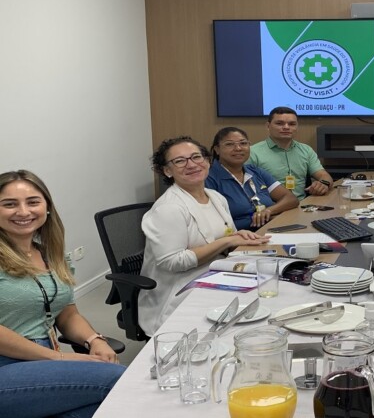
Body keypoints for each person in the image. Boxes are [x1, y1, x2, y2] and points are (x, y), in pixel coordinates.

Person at [0, 170, 124, 417]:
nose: (23, 212)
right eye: (9, 204)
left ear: (47, 208)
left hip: (40, 361)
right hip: (8, 364)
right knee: (120, 381)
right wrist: (59, 359)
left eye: (33, 202)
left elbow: (66, 312)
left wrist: (94, 339)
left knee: (104, 409)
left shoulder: (51, 255)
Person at [139, 136, 270, 336]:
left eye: (196, 157)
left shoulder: (215, 197)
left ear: (208, 161)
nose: (191, 165)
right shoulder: (169, 208)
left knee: (269, 287)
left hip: (216, 273)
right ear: (167, 171)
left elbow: (225, 237)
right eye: (180, 161)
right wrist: (226, 241)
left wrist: (237, 236)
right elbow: (173, 262)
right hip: (180, 291)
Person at [206, 127, 298, 231]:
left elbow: (290, 199)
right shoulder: (209, 177)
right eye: (229, 144)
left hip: (269, 230)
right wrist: (262, 220)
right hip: (239, 238)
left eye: (243, 143)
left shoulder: (255, 171)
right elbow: (214, 222)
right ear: (217, 149)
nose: (238, 148)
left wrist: (268, 212)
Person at [249, 106, 334, 200]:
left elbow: (323, 175)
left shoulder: (306, 150)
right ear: (268, 126)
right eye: (279, 123)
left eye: (292, 124)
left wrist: (323, 184)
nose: (286, 127)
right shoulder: (252, 152)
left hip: (302, 205)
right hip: (271, 208)